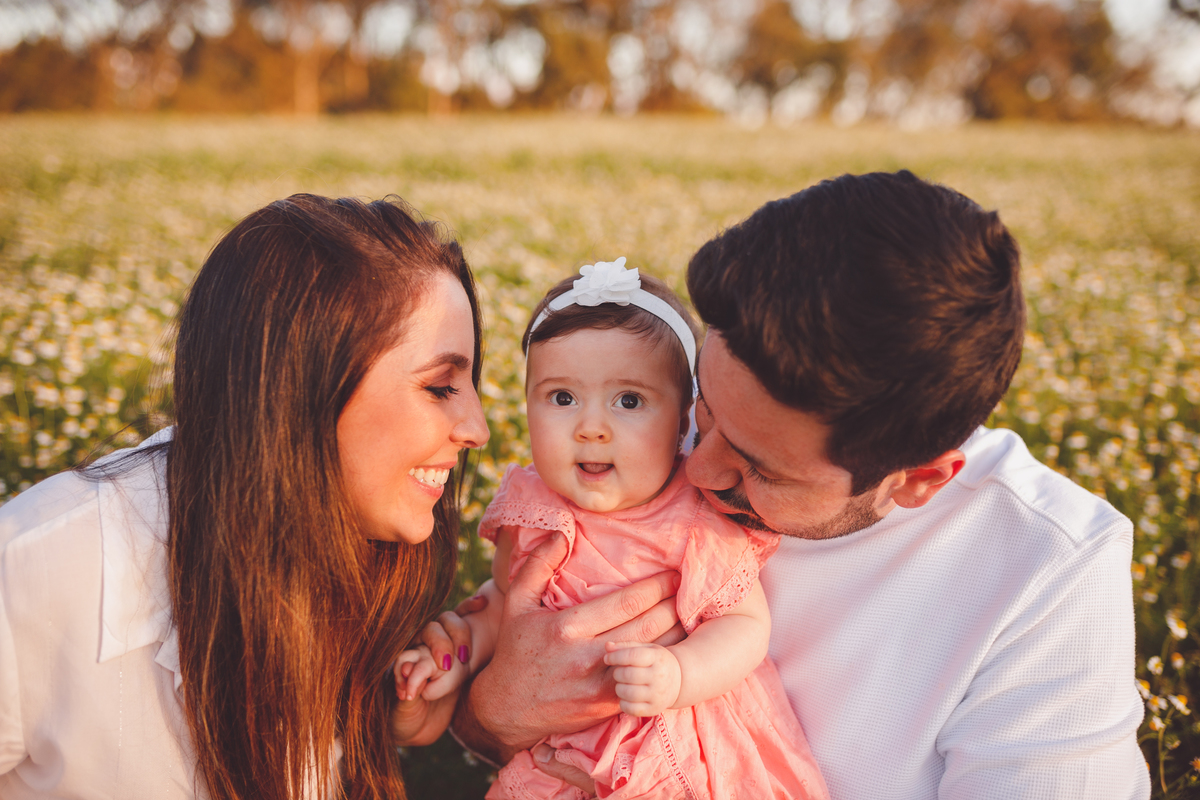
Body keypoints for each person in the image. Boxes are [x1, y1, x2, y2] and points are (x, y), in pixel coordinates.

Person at [450, 171, 1150, 799]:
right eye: (704, 407)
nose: (697, 466)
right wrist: (490, 713)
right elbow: (511, 634)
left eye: (759, 468)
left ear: (919, 480)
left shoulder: (1049, 574)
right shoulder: (643, 437)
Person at [0, 194, 489, 799]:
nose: (478, 429)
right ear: (301, 383)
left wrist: (391, 719)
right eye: (441, 387)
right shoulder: (35, 569)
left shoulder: (354, 554)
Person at [395, 259, 828, 799]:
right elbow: (505, 607)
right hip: (562, 762)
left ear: (682, 422)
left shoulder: (696, 520)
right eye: (561, 398)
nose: (591, 428)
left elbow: (743, 626)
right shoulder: (531, 510)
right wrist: (453, 659)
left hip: (682, 746)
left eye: (628, 401)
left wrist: (678, 673)